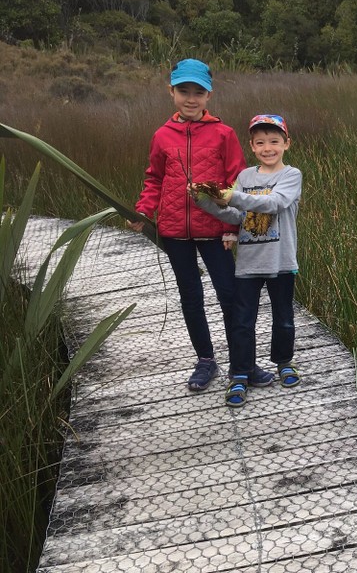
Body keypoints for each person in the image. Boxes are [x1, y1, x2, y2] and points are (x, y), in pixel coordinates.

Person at [128, 58, 261, 392]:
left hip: (216, 230)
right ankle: (205, 360)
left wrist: (234, 227)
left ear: (209, 95)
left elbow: (238, 183)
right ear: (171, 91)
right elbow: (154, 179)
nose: (191, 98)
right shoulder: (161, 135)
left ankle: (242, 362)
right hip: (174, 232)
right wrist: (143, 211)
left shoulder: (223, 133)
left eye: (198, 91)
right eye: (183, 90)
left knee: (230, 295)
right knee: (191, 297)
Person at [192, 114, 303, 408]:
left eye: (274, 142)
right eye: (261, 142)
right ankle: (240, 372)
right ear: (252, 146)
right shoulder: (244, 177)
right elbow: (237, 216)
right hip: (249, 264)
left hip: (281, 262)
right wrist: (205, 201)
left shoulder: (291, 175)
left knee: (284, 319)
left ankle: (284, 362)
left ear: (286, 144)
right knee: (242, 322)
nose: (268, 148)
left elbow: (274, 203)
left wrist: (232, 196)